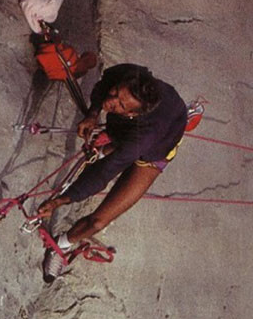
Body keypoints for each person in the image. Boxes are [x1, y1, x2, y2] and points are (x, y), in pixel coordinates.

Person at [35, 64, 187, 281]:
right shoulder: (131, 76)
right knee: (114, 133)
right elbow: (105, 83)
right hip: (142, 127)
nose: (111, 101)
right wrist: (93, 114)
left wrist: (60, 201)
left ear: (132, 113)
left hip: (154, 154)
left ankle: (62, 245)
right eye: (115, 93)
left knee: (98, 221)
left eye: (119, 104)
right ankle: (112, 139)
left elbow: (103, 174)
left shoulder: (142, 140)